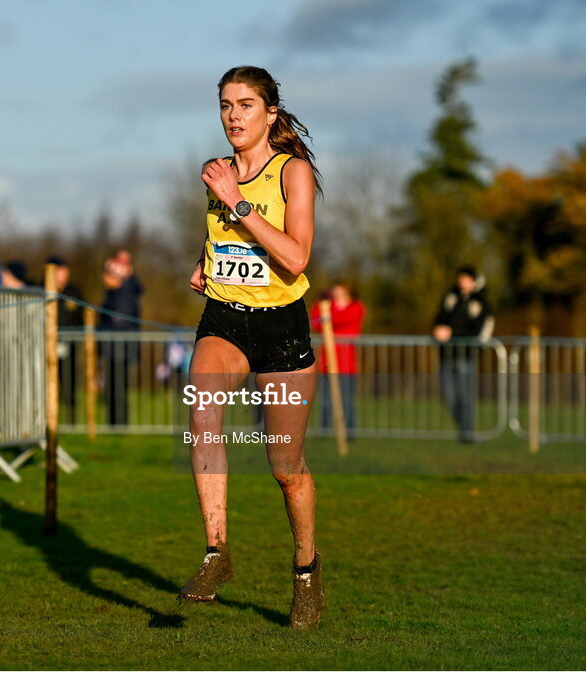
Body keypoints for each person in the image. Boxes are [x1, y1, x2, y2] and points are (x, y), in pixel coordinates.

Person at [182, 65, 324, 628]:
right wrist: (204, 259)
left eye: (245, 105)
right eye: (225, 105)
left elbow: (295, 257)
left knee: (285, 466)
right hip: (225, 317)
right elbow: (223, 235)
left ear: (269, 113)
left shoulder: (293, 173)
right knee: (202, 413)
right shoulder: (218, 173)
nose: (233, 115)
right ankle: (217, 553)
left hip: (281, 327)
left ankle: (307, 569)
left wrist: (236, 201)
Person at [432, 266, 494, 443]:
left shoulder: (481, 303)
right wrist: (437, 329)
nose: (462, 282)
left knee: (466, 397)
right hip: (446, 356)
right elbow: (439, 317)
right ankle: (465, 429)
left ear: (474, 281)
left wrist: (452, 333)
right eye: (461, 279)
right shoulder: (450, 297)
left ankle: (468, 433)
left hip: (466, 357)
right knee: (448, 397)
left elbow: (479, 330)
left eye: (466, 279)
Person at [309, 283, 365, 432]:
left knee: (346, 399)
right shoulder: (326, 305)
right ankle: (324, 429)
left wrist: (328, 316)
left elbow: (343, 321)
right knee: (325, 400)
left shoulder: (356, 307)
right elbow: (316, 319)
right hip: (327, 361)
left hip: (347, 362)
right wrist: (324, 310)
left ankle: (349, 429)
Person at [99, 249, 142, 426]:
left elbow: (118, 322)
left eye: (108, 274)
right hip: (116, 347)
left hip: (119, 347)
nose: (104, 278)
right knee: (114, 387)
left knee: (116, 387)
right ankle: (116, 423)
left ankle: (118, 424)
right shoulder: (115, 294)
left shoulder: (122, 296)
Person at [47, 255, 85, 424]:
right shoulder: (42, 290)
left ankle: (70, 420)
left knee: (69, 381)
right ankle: (47, 418)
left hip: (68, 345)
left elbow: (81, 318)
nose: (64, 275)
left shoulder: (74, 292)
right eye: (61, 271)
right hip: (46, 344)